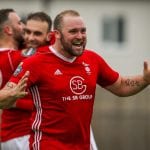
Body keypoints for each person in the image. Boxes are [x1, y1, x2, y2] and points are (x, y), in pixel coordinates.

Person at [5, 9, 150, 150]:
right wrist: (10, 96)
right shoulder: (34, 63)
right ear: (57, 34)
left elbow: (121, 86)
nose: (80, 36)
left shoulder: (92, 59)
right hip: (48, 145)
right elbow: (5, 94)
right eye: (73, 31)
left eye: (83, 31)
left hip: (83, 146)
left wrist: (145, 79)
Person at [0, 9, 52, 150]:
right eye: (19, 23)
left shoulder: (15, 53)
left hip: (9, 135)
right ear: (8, 30)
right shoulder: (12, 57)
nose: (22, 27)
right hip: (22, 135)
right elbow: (57, 44)